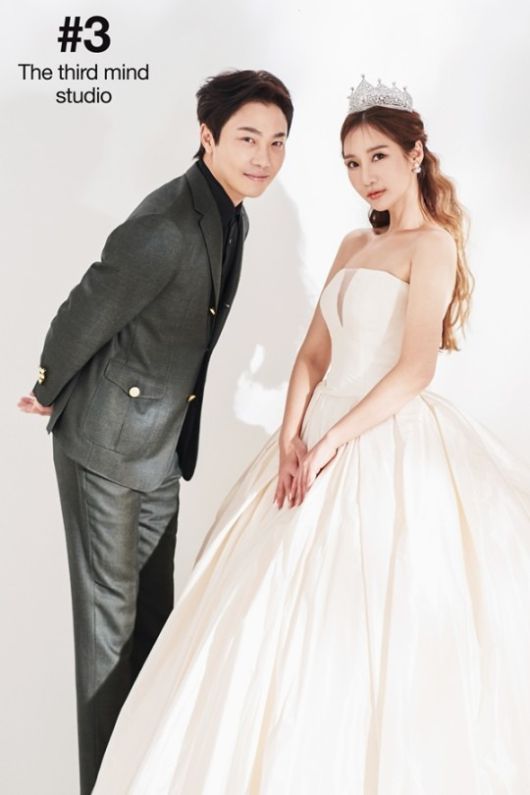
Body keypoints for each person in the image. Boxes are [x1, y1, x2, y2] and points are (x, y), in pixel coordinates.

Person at [91, 76, 530, 793]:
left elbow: (416, 369)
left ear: (416, 153)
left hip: (382, 432)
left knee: (371, 615)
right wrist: (291, 437)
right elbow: (313, 353)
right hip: (314, 432)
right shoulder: (355, 241)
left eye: (379, 156)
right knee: (256, 610)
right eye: (352, 163)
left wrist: (330, 444)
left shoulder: (433, 246)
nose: (366, 176)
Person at [17, 69, 294, 795]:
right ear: (207, 136)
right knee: (109, 637)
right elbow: (85, 307)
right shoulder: (168, 223)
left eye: (276, 142)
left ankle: (141, 778)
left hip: (161, 448)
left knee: (155, 630)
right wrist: (48, 388)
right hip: (104, 447)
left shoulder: (231, 215)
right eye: (247, 139)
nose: (263, 156)